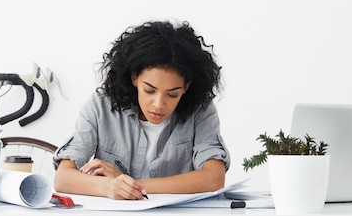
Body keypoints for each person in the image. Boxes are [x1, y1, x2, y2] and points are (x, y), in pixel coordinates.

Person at [53, 20, 229, 200]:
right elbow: (63, 177)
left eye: (172, 94)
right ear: (134, 78)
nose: (158, 104)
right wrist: (110, 187)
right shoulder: (101, 106)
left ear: (185, 87)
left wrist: (131, 184)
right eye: (149, 90)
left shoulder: (200, 109)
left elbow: (214, 178)